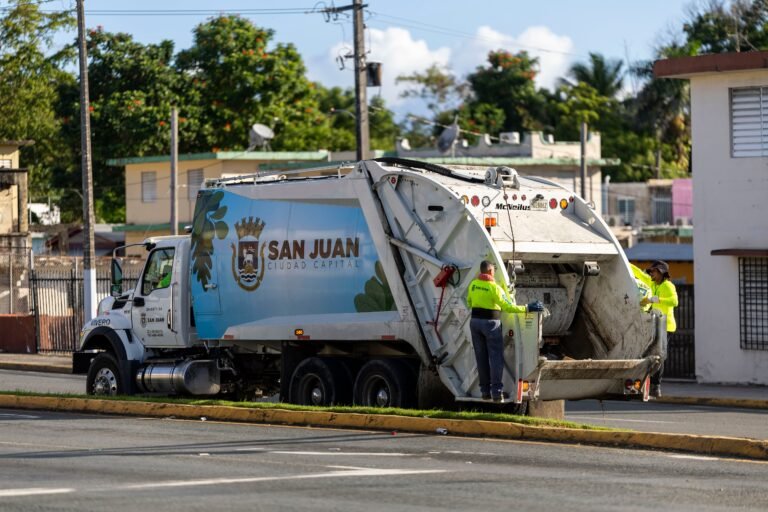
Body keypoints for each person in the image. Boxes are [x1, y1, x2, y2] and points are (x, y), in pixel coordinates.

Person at [466, 260, 544, 402]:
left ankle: (485, 392)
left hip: (475, 323)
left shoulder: (473, 285)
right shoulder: (495, 288)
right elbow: (508, 307)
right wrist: (527, 308)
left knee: (481, 358)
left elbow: (469, 302)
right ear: (490, 271)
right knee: (495, 358)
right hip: (491, 324)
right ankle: (496, 392)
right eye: (494, 270)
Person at [630, 260, 678, 397]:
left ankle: (656, 386)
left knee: (658, 356)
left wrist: (653, 300)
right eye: (650, 271)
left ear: (662, 273)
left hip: (666, 326)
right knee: (644, 354)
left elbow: (675, 301)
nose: (650, 273)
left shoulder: (668, 286)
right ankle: (642, 383)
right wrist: (624, 261)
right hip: (654, 324)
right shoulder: (651, 282)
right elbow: (638, 272)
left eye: (654, 271)